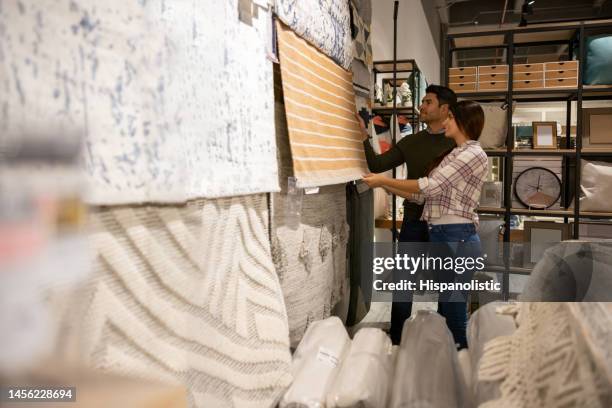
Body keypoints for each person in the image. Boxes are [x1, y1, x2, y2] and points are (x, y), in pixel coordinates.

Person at [362, 100, 488, 349]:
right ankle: (452, 362)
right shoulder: (455, 153)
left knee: (453, 308)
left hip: (457, 236)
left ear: (462, 122)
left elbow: (430, 186)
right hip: (444, 235)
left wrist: (381, 181)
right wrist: (381, 183)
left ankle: (461, 362)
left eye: (450, 117)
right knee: (448, 305)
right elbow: (423, 196)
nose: (446, 122)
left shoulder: (473, 153)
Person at [357, 85, 457, 345]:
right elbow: (378, 165)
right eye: (422, 101)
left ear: (445, 108)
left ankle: (446, 341)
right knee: (403, 282)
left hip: (446, 223)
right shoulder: (412, 141)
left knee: (447, 286)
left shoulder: (458, 144)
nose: (422, 106)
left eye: (428, 102)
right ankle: (399, 340)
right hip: (414, 220)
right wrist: (362, 136)